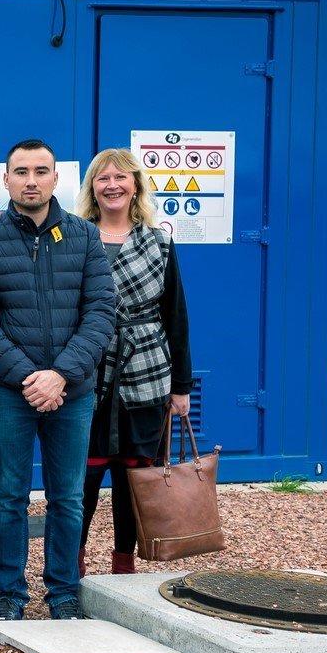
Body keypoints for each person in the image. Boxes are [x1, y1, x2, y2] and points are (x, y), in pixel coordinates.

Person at [0, 139, 115, 622]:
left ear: (55, 179)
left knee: (67, 496)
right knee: (8, 497)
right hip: (11, 391)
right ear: (5, 180)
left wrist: (61, 375)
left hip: (73, 392)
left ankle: (64, 594)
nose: (31, 180)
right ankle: (10, 595)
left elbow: (101, 313)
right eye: (21, 171)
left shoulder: (85, 237)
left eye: (40, 171)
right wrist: (30, 377)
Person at [75, 147, 193, 575]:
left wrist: (182, 386)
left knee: (134, 478)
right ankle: (73, 565)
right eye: (103, 179)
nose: (112, 186)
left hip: (146, 372)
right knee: (82, 478)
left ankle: (124, 565)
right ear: (92, 188)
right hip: (87, 369)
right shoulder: (75, 235)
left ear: (135, 186)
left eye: (121, 178)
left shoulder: (158, 241)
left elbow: (175, 314)